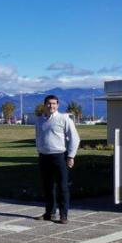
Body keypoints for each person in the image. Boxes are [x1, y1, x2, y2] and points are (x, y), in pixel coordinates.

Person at [35, 94, 80, 224]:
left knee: (62, 186)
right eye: (49, 103)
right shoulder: (39, 120)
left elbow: (74, 138)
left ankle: (63, 215)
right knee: (48, 186)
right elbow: (38, 137)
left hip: (59, 156)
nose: (51, 106)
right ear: (44, 105)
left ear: (58, 105)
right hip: (44, 157)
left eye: (54, 104)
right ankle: (49, 213)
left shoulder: (64, 119)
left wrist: (71, 156)